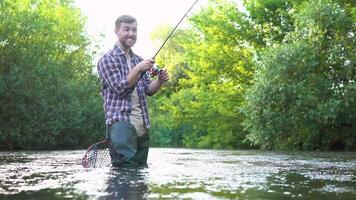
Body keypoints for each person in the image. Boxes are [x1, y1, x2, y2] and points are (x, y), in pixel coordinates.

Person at [97, 15, 169, 166]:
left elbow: (148, 90)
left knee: (140, 175)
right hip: (121, 125)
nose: (131, 33)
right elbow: (120, 88)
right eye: (126, 29)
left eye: (134, 30)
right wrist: (138, 69)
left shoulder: (138, 59)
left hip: (142, 125)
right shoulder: (107, 59)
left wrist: (160, 81)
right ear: (116, 31)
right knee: (125, 175)